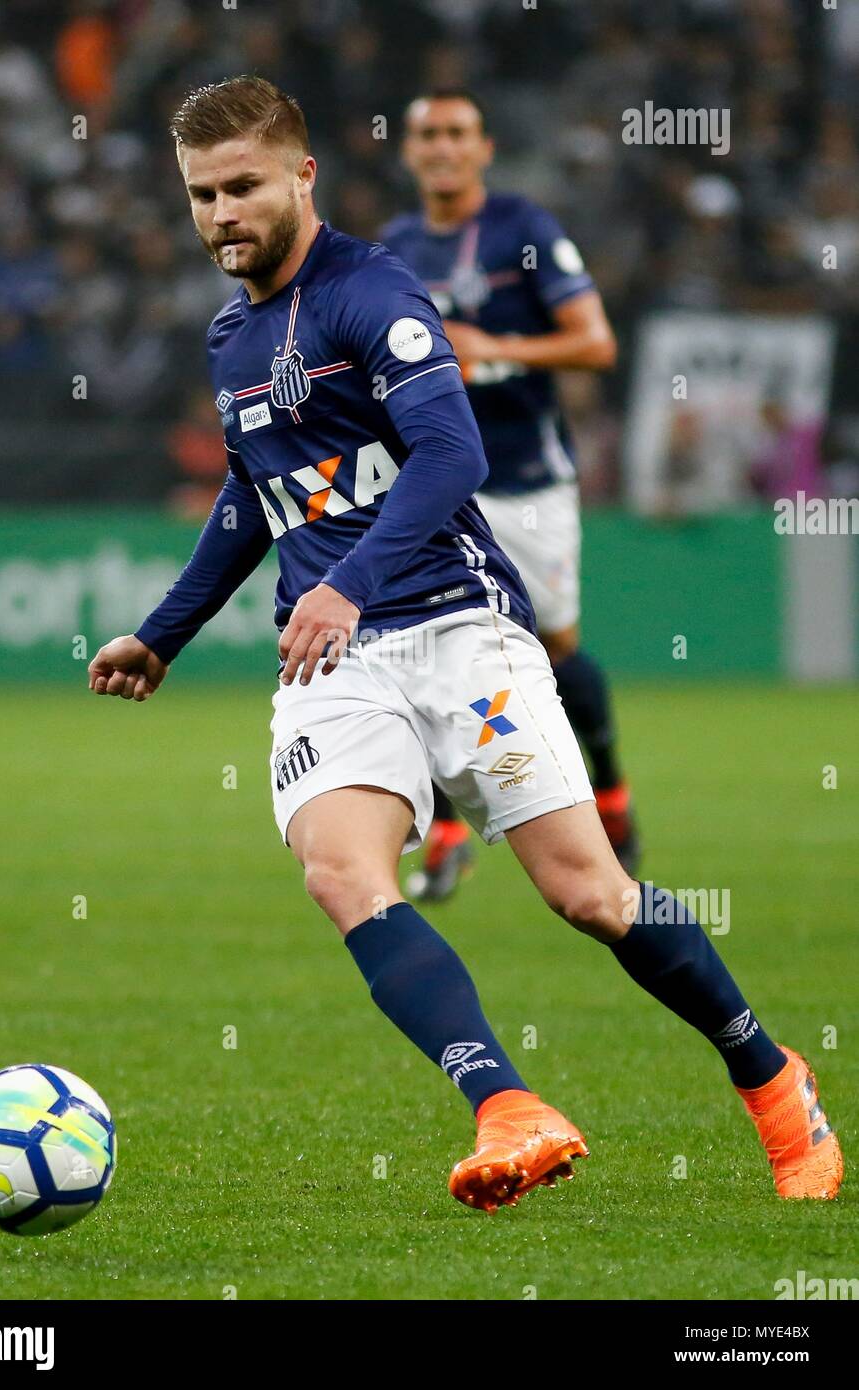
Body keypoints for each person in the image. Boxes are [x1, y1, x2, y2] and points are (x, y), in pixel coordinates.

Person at [89, 76, 842, 1211]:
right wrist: (163, 634)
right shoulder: (231, 337)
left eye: (242, 186)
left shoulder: (373, 295)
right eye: (200, 195)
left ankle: (772, 1078)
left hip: (459, 629)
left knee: (587, 893)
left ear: (301, 176)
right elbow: (253, 497)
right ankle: (506, 1105)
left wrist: (344, 582)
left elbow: (449, 457)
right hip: (336, 664)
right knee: (341, 871)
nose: (220, 214)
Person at [383, 90, 636, 900]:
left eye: (457, 133)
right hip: (434, 482)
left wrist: (499, 348)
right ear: (409, 151)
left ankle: (611, 789)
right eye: (428, 134)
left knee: (556, 651)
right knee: (424, 643)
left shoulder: (524, 230)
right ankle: (448, 832)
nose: (443, 147)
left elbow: (596, 343)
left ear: (484, 148)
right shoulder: (393, 246)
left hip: (526, 480)